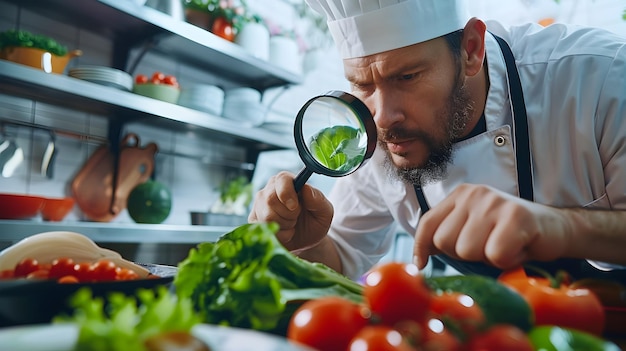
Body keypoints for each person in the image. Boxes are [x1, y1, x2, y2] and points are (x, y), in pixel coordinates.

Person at [249, 0, 626, 282]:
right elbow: (344, 254)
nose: (383, 117)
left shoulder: (600, 79)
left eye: (407, 77)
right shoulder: (378, 134)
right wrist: (304, 243)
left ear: (471, 50)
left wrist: (560, 227)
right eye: (362, 84)